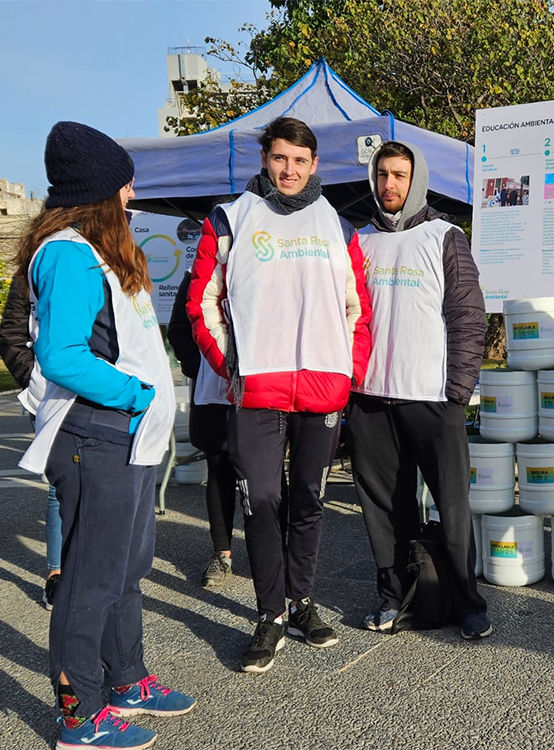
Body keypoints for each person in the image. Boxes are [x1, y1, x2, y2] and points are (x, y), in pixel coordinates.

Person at [16, 121, 194, 750]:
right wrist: (136, 395)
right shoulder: (68, 251)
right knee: (91, 577)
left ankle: (126, 679)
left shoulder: (99, 252)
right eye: (125, 184)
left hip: (127, 437)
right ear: (102, 192)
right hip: (95, 434)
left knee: (127, 565)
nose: (132, 195)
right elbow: (63, 355)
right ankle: (78, 713)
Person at [187, 116, 372, 673]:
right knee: (263, 500)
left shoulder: (338, 227)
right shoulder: (230, 218)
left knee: (309, 502)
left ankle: (301, 603)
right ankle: (268, 614)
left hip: (322, 388)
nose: (289, 170)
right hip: (257, 390)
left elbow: (358, 310)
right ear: (265, 159)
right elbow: (202, 302)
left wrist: (348, 373)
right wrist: (231, 367)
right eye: (280, 158)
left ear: (315, 165)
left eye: (300, 160)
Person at [348, 140, 491, 639]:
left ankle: (468, 601)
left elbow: (469, 318)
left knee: (451, 505)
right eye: (383, 174)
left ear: (417, 180)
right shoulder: (358, 241)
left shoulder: (445, 236)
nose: (389, 184)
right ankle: (393, 597)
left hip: (432, 396)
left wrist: (458, 389)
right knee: (384, 509)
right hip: (369, 398)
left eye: (400, 175)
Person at [166, 271, 241, 589]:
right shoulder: (199, 271)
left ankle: (274, 549)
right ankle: (222, 553)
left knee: (267, 478)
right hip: (214, 394)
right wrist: (202, 368)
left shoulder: (266, 255)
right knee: (219, 470)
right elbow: (179, 330)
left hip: (261, 389)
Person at [0, 275, 63, 609]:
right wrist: (34, 381)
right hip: (47, 397)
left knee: (99, 485)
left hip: (96, 392)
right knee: (58, 487)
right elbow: (9, 337)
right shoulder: (30, 272)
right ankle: (56, 575)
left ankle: (92, 570)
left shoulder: (101, 260)